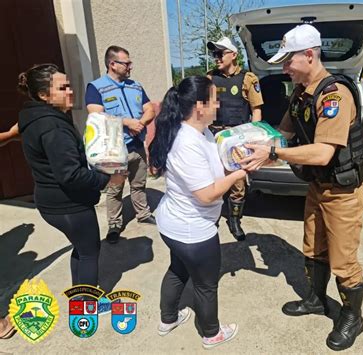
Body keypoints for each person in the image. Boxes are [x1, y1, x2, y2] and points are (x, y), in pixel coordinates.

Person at [240, 24, 363, 351]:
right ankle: (315, 299)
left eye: (288, 61)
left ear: (309, 56)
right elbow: (283, 131)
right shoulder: (300, 93)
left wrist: (273, 153)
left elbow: (324, 151)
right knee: (313, 247)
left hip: (342, 191)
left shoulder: (333, 95)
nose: (284, 68)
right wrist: (244, 140)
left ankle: (354, 317)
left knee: (343, 260)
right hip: (317, 186)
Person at [149, 76, 245, 348]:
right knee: (205, 285)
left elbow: (214, 168)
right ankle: (212, 333)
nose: (219, 103)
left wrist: (235, 161)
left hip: (176, 225)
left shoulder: (202, 132)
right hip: (192, 231)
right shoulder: (186, 142)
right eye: (215, 98)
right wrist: (241, 172)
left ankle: (168, 319)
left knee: (178, 270)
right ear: (200, 106)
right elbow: (206, 194)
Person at [17, 64, 125, 290]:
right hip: (68, 205)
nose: (70, 91)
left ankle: (78, 296)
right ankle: (86, 306)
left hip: (51, 201)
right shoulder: (53, 126)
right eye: (63, 88)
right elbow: (70, 175)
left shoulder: (34, 117)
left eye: (69, 85)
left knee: (81, 248)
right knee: (89, 253)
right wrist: (108, 180)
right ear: (43, 95)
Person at [86, 45, 156, 244]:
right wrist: (126, 122)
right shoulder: (96, 87)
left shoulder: (135, 86)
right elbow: (96, 115)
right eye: (127, 63)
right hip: (115, 150)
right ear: (113, 64)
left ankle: (143, 214)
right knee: (115, 189)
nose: (130, 67)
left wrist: (141, 123)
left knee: (139, 184)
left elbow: (149, 108)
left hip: (137, 146)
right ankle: (114, 224)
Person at [206, 37, 264, 241]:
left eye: (220, 53)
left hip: (237, 138)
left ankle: (234, 220)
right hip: (214, 136)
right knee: (213, 177)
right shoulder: (210, 78)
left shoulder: (248, 79)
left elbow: (256, 110)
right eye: (215, 54)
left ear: (233, 54)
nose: (216, 58)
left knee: (238, 182)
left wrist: (254, 138)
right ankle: (211, 217)